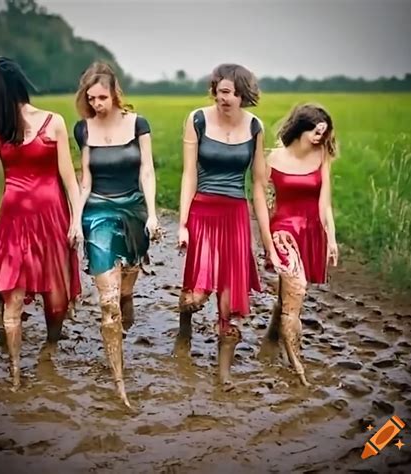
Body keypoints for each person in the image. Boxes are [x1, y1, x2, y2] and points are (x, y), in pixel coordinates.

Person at [0, 56, 82, 390]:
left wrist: (76, 219)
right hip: (13, 223)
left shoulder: (54, 122)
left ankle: (50, 346)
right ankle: (16, 373)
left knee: (56, 297)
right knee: (13, 298)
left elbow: (68, 178)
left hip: (52, 218)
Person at [177, 63, 281, 390]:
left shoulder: (255, 127)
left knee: (228, 300)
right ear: (214, 89)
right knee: (196, 296)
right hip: (202, 212)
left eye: (235, 93)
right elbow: (189, 174)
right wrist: (182, 223)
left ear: (244, 96)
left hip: (235, 215)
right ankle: (185, 324)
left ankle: (223, 373)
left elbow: (259, 186)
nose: (228, 99)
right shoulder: (196, 119)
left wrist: (267, 241)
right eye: (223, 91)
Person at [73, 62, 159, 408]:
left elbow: (148, 172)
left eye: (102, 97)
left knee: (124, 291)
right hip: (98, 211)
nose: (97, 104)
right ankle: (119, 382)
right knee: (107, 304)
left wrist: (152, 214)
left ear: (115, 93)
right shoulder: (83, 130)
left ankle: (127, 298)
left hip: (134, 211)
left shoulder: (138, 124)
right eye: (91, 98)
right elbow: (85, 179)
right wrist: (75, 219)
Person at [260, 103, 338, 386]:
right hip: (283, 230)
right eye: (316, 132)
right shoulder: (271, 158)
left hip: (311, 229)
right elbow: (265, 201)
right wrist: (267, 239)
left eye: (324, 133)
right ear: (301, 128)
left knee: (290, 293)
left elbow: (324, 200)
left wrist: (331, 236)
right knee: (296, 290)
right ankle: (296, 364)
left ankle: (271, 339)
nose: (319, 138)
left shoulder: (322, 155)